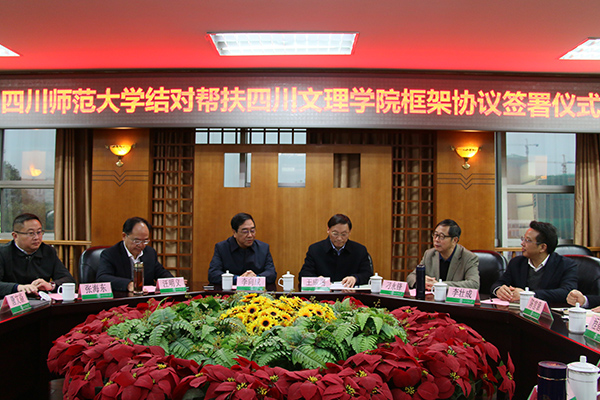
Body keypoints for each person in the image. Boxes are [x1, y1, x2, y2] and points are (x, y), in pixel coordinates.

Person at [491, 220, 577, 304]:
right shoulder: (517, 263)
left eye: (528, 240)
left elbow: (567, 292)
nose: (522, 243)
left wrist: (528, 295)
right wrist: (499, 290)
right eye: (523, 239)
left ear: (542, 247)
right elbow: (498, 283)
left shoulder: (566, 265)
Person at [0, 213, 75, 297]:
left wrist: (51, 285)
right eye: (31, 233)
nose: (37, 237)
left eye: (39, 232)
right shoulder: (3, 253)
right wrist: (18, 287)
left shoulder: (48, 251)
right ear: (15, 236)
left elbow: (68, 280)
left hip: (41, 300)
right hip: (12, 301)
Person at [96, 217, 173, 292]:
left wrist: (174, 282)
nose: (141, 245)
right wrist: (128, 284)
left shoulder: (150, 253)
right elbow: (102, 278)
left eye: (145, 241)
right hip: (123, 298)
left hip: (146, 298)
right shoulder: (110, 254)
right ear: (124, 236)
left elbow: (162, 273)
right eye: (137, 241)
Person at [299, 214, 372, 288]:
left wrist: (355, 278)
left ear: (350, 232)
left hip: (351, 293)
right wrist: (317, 280)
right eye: (335, 234)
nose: (339, 238)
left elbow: (368, 274)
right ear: (328, 230)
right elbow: (304, 275)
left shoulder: (359, 250)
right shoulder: (315, 250)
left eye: (344, 234)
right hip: (324, 293)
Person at [406, 219, 479, 290]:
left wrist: (440, 285)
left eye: (441, 236)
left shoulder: (469, 258)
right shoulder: (429, 254)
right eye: (435, 235)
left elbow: (474, 284)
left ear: (454, 240)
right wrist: (421, 281)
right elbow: (411, 277)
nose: (436, 240)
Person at [208, 213, 276, 285]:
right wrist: (239, 279)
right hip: (230, 291)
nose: (250, 235)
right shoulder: (222, 248)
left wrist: (256, 278)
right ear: (234, 232)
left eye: (252, 231)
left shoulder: (263, 248)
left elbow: (271, 273)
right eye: (245, 231)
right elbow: (213, 274)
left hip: (256, 290)